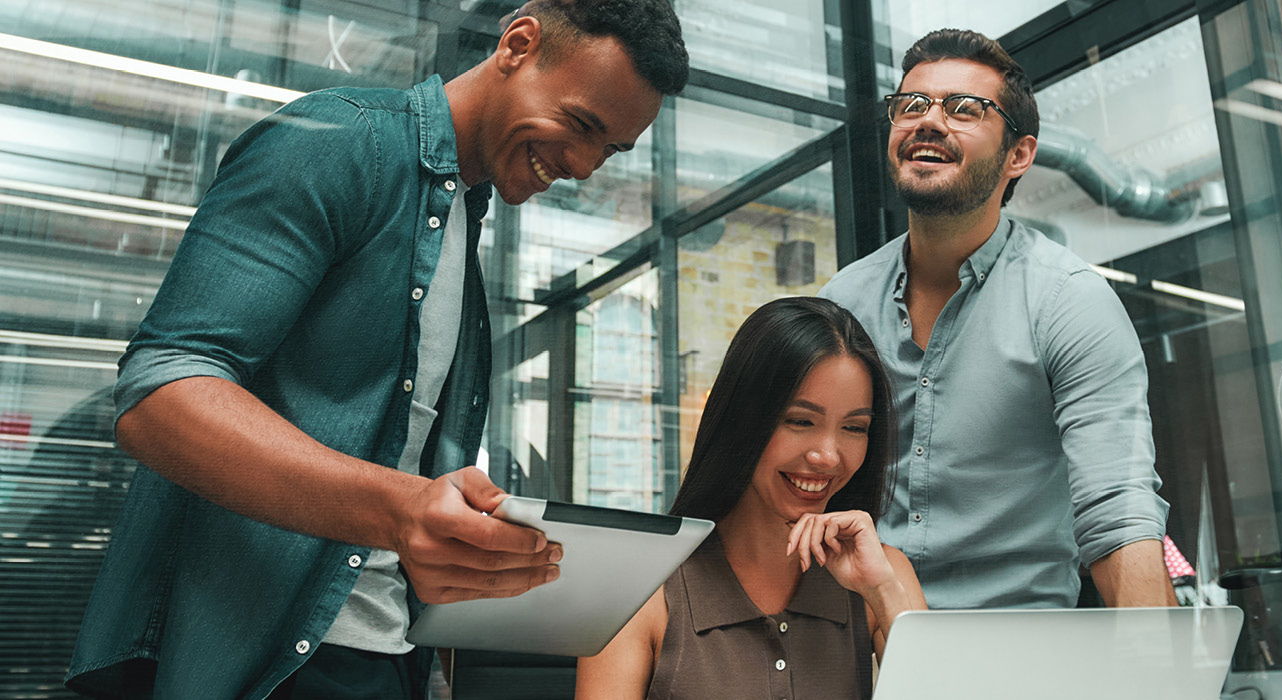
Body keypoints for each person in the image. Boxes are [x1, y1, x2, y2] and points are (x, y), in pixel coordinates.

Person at [65, 1, 687, 697]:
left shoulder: (460, 224)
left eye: (611, 150)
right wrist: (400, 509)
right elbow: (161, 393)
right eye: (580, 126)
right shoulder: (338, 141)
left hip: (386, 656)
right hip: (265, 660)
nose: (581, 166)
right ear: (517, 43)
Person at [819, 28, 1172, 611]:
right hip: (861, 642)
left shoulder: (1068, 301)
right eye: (911, 106)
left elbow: (1118, 509)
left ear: (1019, 156)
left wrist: (1161, 668)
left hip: (1019, 647)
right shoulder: (844, 301)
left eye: (964, 109)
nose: (928, 122)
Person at [576, 297, 926, 699]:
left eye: (854, 427)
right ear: (742, 419)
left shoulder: (885, 574)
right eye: (800, 421)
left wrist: (883, 592)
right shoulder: (636, 586)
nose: (827, 456)